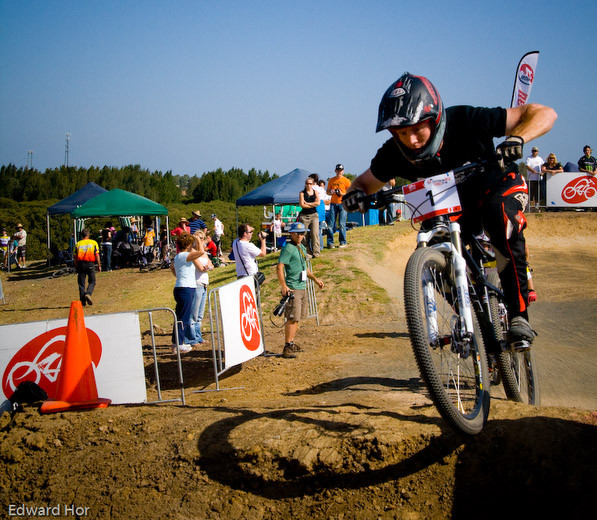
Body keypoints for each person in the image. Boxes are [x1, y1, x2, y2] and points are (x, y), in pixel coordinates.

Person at [343, 72, 557, 345]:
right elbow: (362, 183)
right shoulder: (393, 153)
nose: (411, 141)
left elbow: (544, 113)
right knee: (433, 245)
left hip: (498, 186)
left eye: (417, 129)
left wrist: (518, 139)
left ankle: (519, 316)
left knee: (498, 217)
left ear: (434, 119)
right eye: (402, 133)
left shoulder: (467, 119)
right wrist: (355, 196)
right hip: (455, 207)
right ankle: (473, 316)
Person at [276, 222, 324, 358]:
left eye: (302, 233)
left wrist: (315, 279)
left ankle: (291, 343)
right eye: (298, 233)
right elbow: (280, 267)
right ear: (291, 233)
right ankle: (287, 346)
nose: (300, 236)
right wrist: (284, 286)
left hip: (302, 287)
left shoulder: (301, 247)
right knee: (292, 317)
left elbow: (304, 268)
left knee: (296, 318)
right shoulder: (288, 248)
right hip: (293, 289)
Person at [169, 233, 203, 353]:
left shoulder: (179, 256)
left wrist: (178, 276)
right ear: (188, 244)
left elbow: (172, 267)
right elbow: (201, 252)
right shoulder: (185, 255)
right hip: (186, 288)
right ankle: (179, 343)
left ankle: (176, 343)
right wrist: (198, 241)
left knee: (179, 316)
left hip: (181, 287)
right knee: (184, 317)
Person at [191, 231, 214, 344]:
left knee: (200, 314)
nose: (201, 240)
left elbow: (212, 266)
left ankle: (198, 336)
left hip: (204, 284)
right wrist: (207, 267)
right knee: (194, 314)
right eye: (199, 238)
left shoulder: (203, 253)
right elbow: (200, 268)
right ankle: (192, 338)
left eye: (202, 238)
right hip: (197, 283)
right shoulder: (193, 252)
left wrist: (208, 266)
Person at [325, 164, 352, 248]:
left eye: (340, 170)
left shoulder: (346, 181)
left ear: (343, 171)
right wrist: (332, 191)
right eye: (338, 170)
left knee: (341, 223)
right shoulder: (331, 180)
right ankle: (330, 243)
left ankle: (343, 242)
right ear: (335, 171)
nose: (339, 172)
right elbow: (327, 191)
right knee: (330, 224)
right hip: (333, 203)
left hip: (343, 203)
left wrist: (341, 193)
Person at [74, 228, 101, 307]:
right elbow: (97, 255)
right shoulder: (93, 242)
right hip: (90, 264)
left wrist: (76, 266)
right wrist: (99, 265)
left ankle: (83, 302)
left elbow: (75, 257)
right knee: (92, 281)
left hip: (81, 264)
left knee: (81, 284)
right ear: (88, 234)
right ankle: (88, 293)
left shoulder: (78, 244)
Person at [298, 176, 321, 257]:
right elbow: (302, 205)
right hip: (304, 216)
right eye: (307, 184)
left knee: (314, 233)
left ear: (312, 184)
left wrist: (307, 203)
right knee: (304, 234)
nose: (309, 185)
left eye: (310, 184)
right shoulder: (302, 193)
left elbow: (318, 203)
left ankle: (316, 252)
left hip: (314, 215)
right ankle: (307, 252)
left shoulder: (315, 192)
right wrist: (311, 204)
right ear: (305, 184)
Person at [525, 146, 544, 210]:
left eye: (536, 151)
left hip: (538, 179)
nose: (534, 152)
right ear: (531, 151)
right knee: (530, 193)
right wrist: (533, 171)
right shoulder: (528, 158)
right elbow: (527, 166)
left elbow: (543, 166)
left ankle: (536, 206)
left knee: (537, 193)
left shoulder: (540, 159)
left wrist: (542, 172)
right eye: (533, 151)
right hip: (531, 179)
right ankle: (529, 207)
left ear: (538, 152)